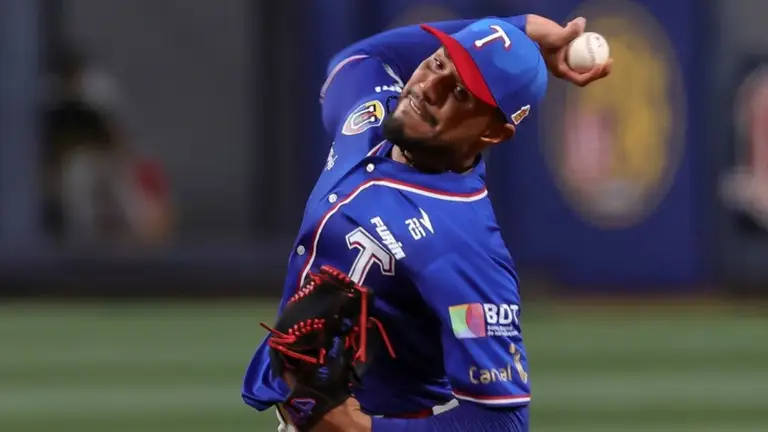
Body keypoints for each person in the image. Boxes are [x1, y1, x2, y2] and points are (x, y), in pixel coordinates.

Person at [242, 14, 612, 431]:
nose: (427, 88)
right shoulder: (369, 110)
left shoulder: (464, 247)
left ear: (492, 133)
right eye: (438, 62)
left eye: (459, 92)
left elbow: (501, 422)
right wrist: (519, 26)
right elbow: (361, 57)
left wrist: (363, 430)